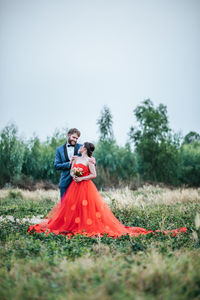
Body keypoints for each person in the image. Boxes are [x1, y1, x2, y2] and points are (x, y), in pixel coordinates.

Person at [28, 142, 187, 238]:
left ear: (86, 149)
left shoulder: (90, 160)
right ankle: (71, 225)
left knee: (88, 208)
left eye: (82, 146)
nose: (80, 146)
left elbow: (94, 174)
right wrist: (74, 175)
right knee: (73, 208)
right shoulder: (76, 159)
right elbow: (71, 170)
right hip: (74, 186)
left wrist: (81, 178)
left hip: (85, 186)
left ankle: (85, 226)